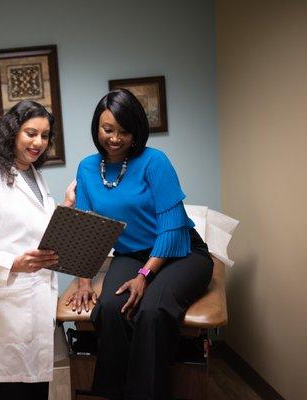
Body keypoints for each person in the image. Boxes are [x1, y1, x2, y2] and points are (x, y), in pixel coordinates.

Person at [66, 89, 214, 400]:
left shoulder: (154, 162)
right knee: (109, 306)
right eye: (108, 129)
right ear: (97, 128)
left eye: (124, 131)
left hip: (181, 252)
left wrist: (144, 276)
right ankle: (109, 393)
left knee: (152, 310)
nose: (115, 138)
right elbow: (85, 228)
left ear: (137, 131)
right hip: (131, 254)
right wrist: (83, 281)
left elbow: (172, 228)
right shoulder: (87, 168)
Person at [0, 100, 75, 400]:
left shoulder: (32, 174)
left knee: (34, 392)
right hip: (2, 309)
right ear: (11, 133)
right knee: (11, 394)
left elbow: (31, 226)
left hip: (32, 303)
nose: (38, 143)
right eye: (31, 133)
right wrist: (14, 263)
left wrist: (65, 208)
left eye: (45, 136)